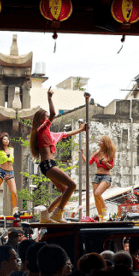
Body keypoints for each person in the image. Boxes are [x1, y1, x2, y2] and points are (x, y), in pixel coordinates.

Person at [29, 87, 87, 223]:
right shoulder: (40, 130)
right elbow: (53, 113)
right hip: (47, 165)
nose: (47, 120)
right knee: (72, 185)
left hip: (49, 165)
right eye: (45, 118)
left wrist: (81, 129)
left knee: (65, 190)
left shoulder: (48, 134)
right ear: (41, 120)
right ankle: (57, 213)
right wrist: (49, 97)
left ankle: (47, 214)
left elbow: (65, 134)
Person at [80, 136, 116, 222]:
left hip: (106, 176)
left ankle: (105, 210)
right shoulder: (97, 153)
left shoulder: (110, 154)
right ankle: (101, 217)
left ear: (105, 143)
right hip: (97, 176)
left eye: (101, 141)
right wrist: (82, 154)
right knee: (96, 197)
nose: (99, 142)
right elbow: (88, 162)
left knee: (98, 193)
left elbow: (111, 167)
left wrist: (106, 162)